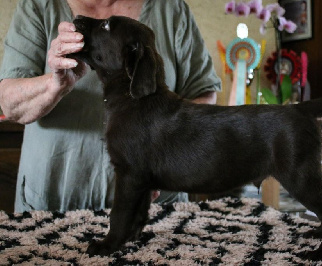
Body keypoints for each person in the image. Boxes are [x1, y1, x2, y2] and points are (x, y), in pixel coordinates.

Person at [0, 0, 221, 213]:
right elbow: (10, 104)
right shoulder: (38, 6)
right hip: (53, 204)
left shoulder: (171, 8)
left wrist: (166, 156)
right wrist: (55, 84)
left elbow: (202, 92)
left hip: (153, 210)